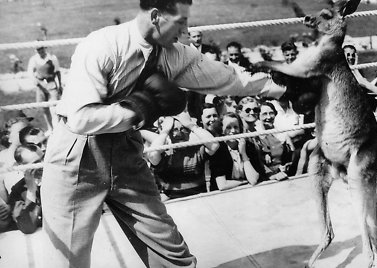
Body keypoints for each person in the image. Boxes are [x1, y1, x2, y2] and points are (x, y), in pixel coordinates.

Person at [41, 1, 285, 267]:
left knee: (172, 253)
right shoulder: (102, 45)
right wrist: (141, 108)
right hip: (76, 156)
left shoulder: (174, 54)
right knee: (66, 259)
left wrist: (284, 88)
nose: (186, 30)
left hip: (126, 152)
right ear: (156, 16)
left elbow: (228, 78)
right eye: (180, 22)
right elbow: (80, 118)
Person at [142, 112, 219, 200]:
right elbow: (152, 155)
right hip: (173, 201)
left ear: (189, 131)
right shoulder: (165, 153)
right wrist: (164, 131)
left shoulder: (197, 149)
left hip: (199, 198)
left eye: (183, 129)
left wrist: (192, 126)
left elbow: (214, 145)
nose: (179, 134)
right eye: (174, 130)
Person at [27, 43, 62, 133]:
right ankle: (50, 128)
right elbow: (30, 72)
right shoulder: (34, 59)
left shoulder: (52, 58)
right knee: (44, 108)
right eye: (38, 49)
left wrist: (60, 85)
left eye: (41, 48)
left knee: (54, 108)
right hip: (40, 86)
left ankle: (57, 129)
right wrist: (34, 80)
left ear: (44, 48)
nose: (40, 51)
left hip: (51, 83)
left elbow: (57, 71)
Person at [9, 144, 43, 234]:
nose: (43, 164)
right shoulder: (18, 190)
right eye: (36, 163)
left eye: (44, 158)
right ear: (21, 167)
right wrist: (31, 190)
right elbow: (27, 227)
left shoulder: (61, 176)